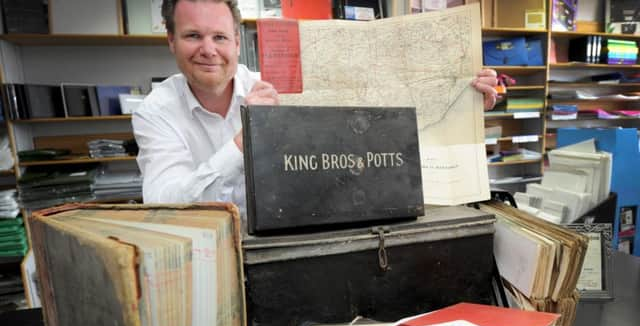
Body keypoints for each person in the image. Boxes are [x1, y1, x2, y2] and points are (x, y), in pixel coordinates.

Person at [134, 0, 499, 217]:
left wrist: (460, 97)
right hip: (208, 261)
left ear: (236, 41)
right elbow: (164, 207)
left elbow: (369, 123)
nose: (208, 49)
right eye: (193, 36)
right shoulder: (156, 112)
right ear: (171, 40)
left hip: (285, 249)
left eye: (219, 37)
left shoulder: (278, 89)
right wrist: (242, 143)